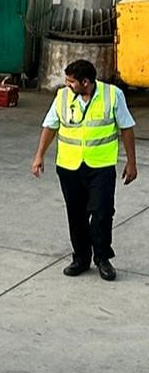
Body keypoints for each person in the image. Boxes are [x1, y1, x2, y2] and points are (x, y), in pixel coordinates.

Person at [32, 58, 137, 281]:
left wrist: (131, 162)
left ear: (86, 82)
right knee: (76, 214)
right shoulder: (62, 97)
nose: (67, 85)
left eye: (71, 82)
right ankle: (81, 257)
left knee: (102, 213)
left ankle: (102, 258)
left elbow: (126, 128)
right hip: (69, 166)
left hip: (101, 166)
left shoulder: (112, 95)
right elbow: (50, 126)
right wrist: (39, 156)